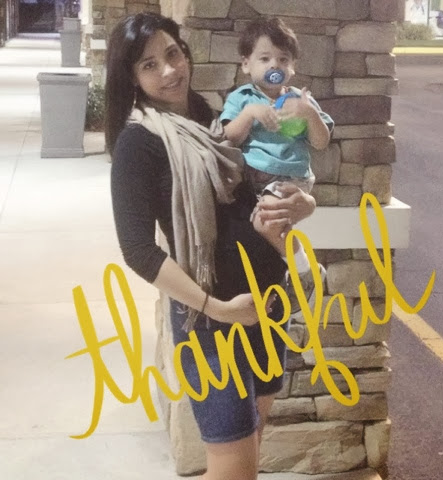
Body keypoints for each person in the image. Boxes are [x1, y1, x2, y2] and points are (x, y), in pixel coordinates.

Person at [105, 13, 317, 480]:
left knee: (251, 442)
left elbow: (253, 194)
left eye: (173, 54)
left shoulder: (210, 117)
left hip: (266, 304)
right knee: (232, 464)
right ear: (132, 77)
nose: (168, 71)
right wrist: (219, 309)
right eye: (149, 65)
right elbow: (138, 250)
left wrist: (305, 204)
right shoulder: (138, 143)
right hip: (211, 321)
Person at [220, 17, 334, 316]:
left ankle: (305, 272)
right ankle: (296, 271)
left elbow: (321, 142)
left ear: (293, 66)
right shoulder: (242, 98)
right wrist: (249, 115)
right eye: (265, 58)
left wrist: (310, 115)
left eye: (283, 59)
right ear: (246, 64)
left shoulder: (301, 101)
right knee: (268, 228)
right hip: (251, 182)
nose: (275, 65)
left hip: (288, 177)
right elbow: (228, 137)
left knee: (265, 223)